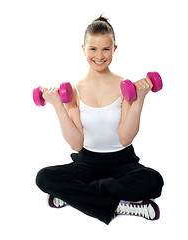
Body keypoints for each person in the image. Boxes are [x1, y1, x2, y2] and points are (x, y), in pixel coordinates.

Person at [36, 15, 164, 225]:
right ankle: (118, 206)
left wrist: (140, 99)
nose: (99, 55)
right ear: (83, 49)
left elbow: (125, 138)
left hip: (123, 161)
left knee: (154, 181)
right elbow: (77, 144)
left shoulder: (126, 87)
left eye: (106, 48)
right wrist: (58, 105)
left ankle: (75, 196)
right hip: (87, 162)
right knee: (44, 177)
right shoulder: (74, 91)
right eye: (93, 49)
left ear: (114, 49)